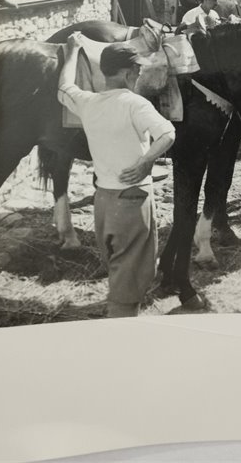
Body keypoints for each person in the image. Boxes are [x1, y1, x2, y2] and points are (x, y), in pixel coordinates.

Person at [57, 33, 176, 318]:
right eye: (137, 69)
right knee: (130, 280)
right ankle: (120, 333)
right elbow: (168, 133)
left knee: (118, 268)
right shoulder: (136, 104)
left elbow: (63, 88)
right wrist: (147, 161)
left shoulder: (88, 102)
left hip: (103, 202)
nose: (139, 73)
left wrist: (72, 51)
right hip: (133, 200)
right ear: (126, 73)